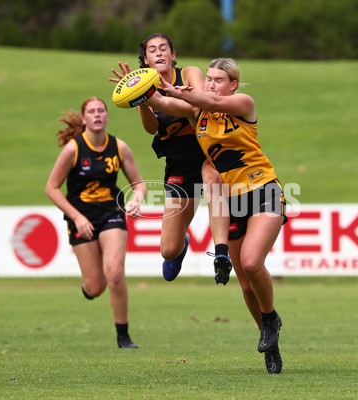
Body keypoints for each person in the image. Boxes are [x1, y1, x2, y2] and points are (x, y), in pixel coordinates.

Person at [140, 58, 287, 374]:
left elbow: (212, 100)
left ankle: (271, 319)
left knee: (249, 261)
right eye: (207, 78)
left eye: (218, 79)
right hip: (232, 200)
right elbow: (159, 102)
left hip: (264, 190)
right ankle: (269, 337)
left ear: (232, 84)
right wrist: (136, 86)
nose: (210, 84)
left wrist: (184, 93)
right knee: (246, 286)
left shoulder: (242, 104)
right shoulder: (197, 113)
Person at [109, 33, 233, 285]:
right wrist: (139, 98)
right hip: (179, 162)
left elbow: (200, 104)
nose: (159, 53)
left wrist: (166, 96)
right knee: (168, 250)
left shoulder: (188, 73)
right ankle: (182, 243)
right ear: (145, 61)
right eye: (152, 50)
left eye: (164, 48)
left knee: (214, 179)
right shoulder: (146, 89)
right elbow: (152, 128)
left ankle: (222, 251)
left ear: (173, 55)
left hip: (209, 151)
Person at [45, 97, 146, 349]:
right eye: (92, 111)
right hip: (81, 217)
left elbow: (140, 184)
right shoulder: (73, 149)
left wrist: (136, 199)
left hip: (111, 211)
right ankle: (88, 287)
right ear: (84, 119)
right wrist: (77, 217)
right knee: (95, 287)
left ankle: (123, 337)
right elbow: (52, 188)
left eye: (101, 110)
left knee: (115, 272)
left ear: (107, 116)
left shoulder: (119, 147)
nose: (97, 115)